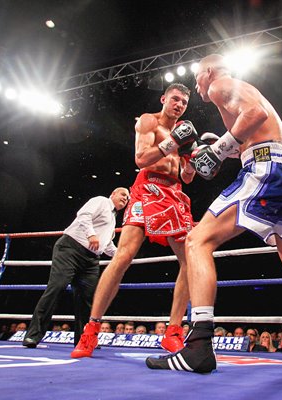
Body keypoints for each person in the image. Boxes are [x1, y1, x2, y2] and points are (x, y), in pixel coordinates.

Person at [145, 53, 282, 373]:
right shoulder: (235, 93)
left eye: (197, 78)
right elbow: (250, 135)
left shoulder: (222, 84)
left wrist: (220, 149)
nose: (198, 85)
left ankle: (198, 346)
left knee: (196, 241)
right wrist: (218, 153)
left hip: (266, 168)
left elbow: (256, 113)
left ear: (208, 71)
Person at [71, 83, 200, 358]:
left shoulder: (187, 131)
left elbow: (187, 177)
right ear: (164, 99)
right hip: (147, 189)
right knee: (123, 257)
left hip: (174, 193)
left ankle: (173, 331)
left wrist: (195, 162)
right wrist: (172, 142)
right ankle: (90, 331)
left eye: (184, 103)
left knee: (191, 261)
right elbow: (141, 159)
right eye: (174, 99)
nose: (178, 105)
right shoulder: (148, 120)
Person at [22, 187, 129, 349]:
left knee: (87, 299)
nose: (125, 199)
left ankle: (83, 339)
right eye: (123, 194)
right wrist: (90, 234)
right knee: (56, 287)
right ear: (113, 193)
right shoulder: (101, 201)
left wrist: (122, 256)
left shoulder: (113, 220)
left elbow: (106, 245)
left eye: (128, 198)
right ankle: (33, 335)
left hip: (91, 260)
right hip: (71, 249)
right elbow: (83, 215)